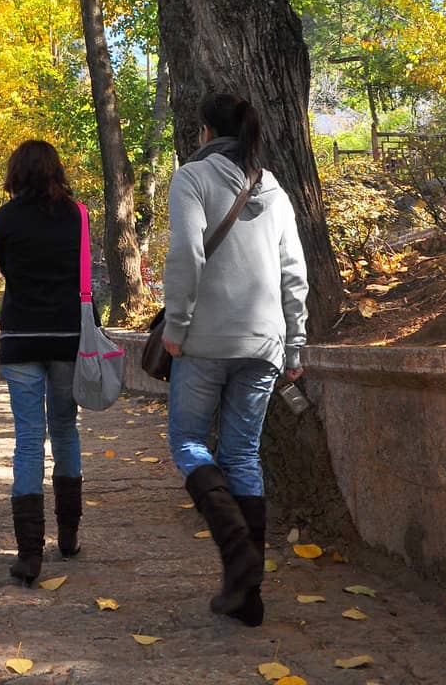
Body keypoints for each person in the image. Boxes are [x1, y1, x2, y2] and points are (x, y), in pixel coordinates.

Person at [162, 91, 308, 625]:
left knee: (188, 442)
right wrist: (295, 344)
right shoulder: (273, 186)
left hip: (205, 340)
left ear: (204, 132)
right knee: (243, 454)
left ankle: (236, 552)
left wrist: (175, 327)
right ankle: (247, 593)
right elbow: (294, 272)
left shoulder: (192, 178)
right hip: (265, 342)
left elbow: (186, 254)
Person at [0, 138, 85, 585]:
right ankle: (68, 536)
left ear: (16, 173)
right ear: (55, 170)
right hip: (68, 336)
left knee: (29, 438)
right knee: (66, 428)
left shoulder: (5, 218)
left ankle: (30, 555)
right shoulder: (77, 216)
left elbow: (8, 270)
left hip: (22, 337)